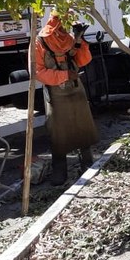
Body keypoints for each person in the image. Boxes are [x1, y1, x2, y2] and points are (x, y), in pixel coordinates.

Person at [35, 11, 98, 186]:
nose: (64, 29)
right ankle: (59, 170)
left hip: (76, 89)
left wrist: (80, 40)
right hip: (56, 93)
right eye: (61, 25)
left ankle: (87, 164)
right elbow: (38, 72)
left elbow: (84, 60)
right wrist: (63, 75)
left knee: (82, 125)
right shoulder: (39, 42)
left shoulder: (70, 39)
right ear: (54, 24)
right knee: (58, 132)